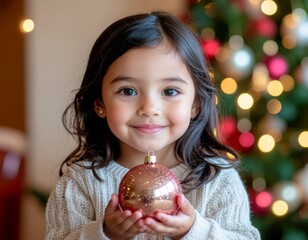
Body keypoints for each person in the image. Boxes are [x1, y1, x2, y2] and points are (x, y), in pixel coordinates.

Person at [45, 11, 260, 240]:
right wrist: (105, 234)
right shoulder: (79, 184)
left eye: (170, 91)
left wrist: (192, 231)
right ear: (100, 104)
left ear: (195, 104)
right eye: (128, 91)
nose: (149, 108)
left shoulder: (217, 180)